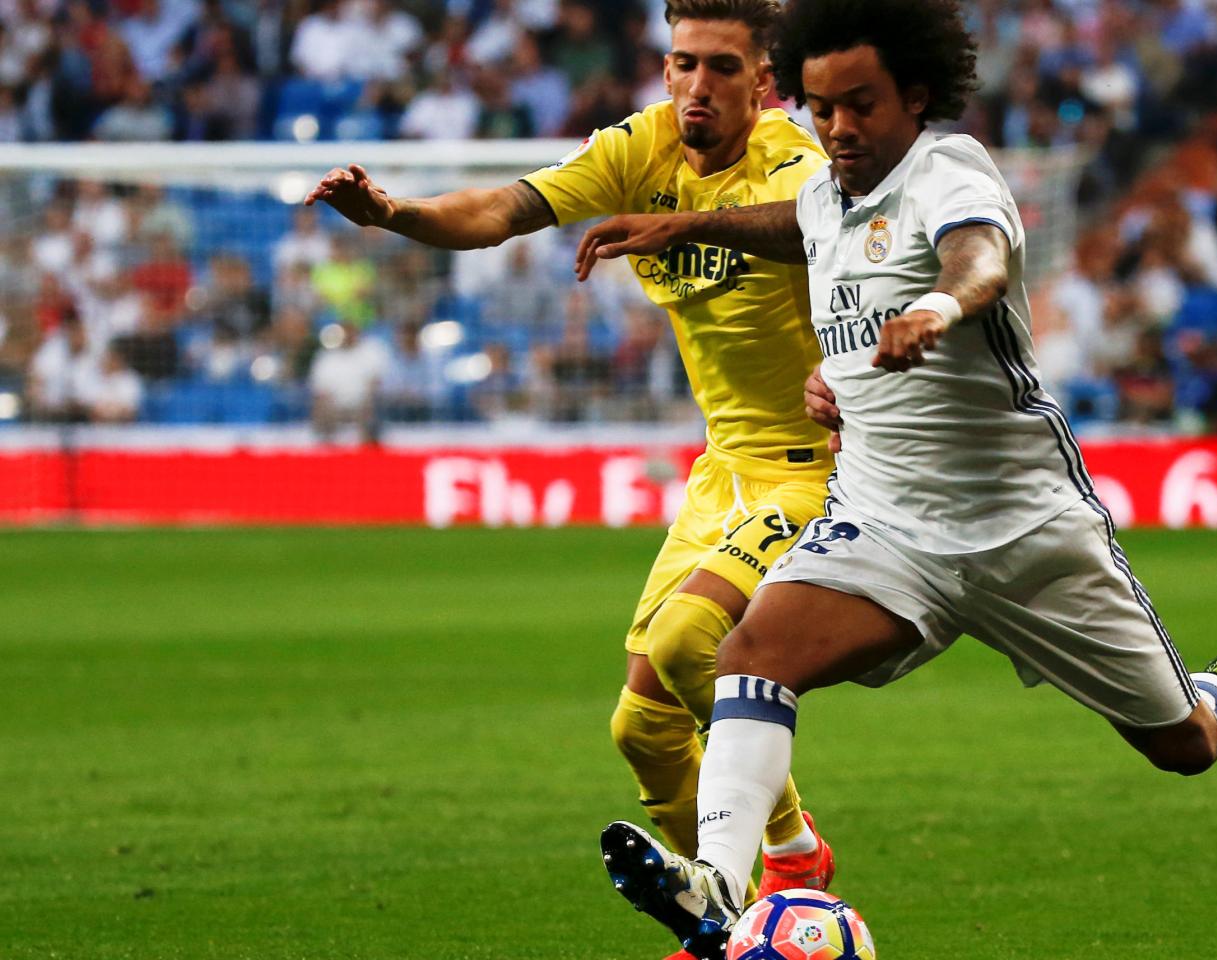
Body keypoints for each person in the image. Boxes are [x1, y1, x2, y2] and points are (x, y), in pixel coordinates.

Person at [574, 1, 1217, 956]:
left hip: (1024, 529)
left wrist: (938, 307)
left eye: (861, 105)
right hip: (885, 528)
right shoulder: (824, 197)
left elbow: (981, 257)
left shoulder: (950, 171)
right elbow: (792, 226)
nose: (838, 128)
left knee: (1183, 746)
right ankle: (719, 876)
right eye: (822, 108)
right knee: (750, 653)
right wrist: (682, 225)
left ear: (915, 97)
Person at [304, 5, 838, 954]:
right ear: (665, 69)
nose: (698, 86)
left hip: (820, 466)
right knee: (641, 729)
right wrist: (393, 215)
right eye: (684, 63)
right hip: (724, 472)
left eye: (723, 67)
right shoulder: (641, 146)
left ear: (764, 83)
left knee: (689, 638)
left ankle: (791, 858)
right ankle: (727, 928)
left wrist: (685, 223)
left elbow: (816, 225)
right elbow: (500, 212)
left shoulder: (793, 160)